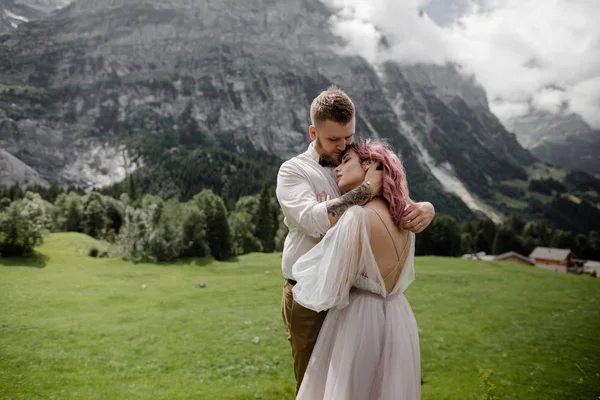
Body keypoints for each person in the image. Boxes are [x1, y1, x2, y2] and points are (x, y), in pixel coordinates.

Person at [276, 86, 434, 393]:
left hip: (353, 296)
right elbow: (311, 219)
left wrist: (427, 207)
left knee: (351, 385)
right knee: (312, 382)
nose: (342, 147)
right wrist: (363, 192)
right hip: (307, 296)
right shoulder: (294, 171)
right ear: (313, 132)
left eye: (348, 137)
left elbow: (395, 201)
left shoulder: (356, 160)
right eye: (334, 139)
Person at [293, 139, 421, 399]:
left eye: (346, 161)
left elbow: (330, 289)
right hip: (398, 317)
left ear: (370, 165)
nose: (338, 169)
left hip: (359, 321)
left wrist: (332, 228)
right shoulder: (405, 219)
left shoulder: (356, 217)